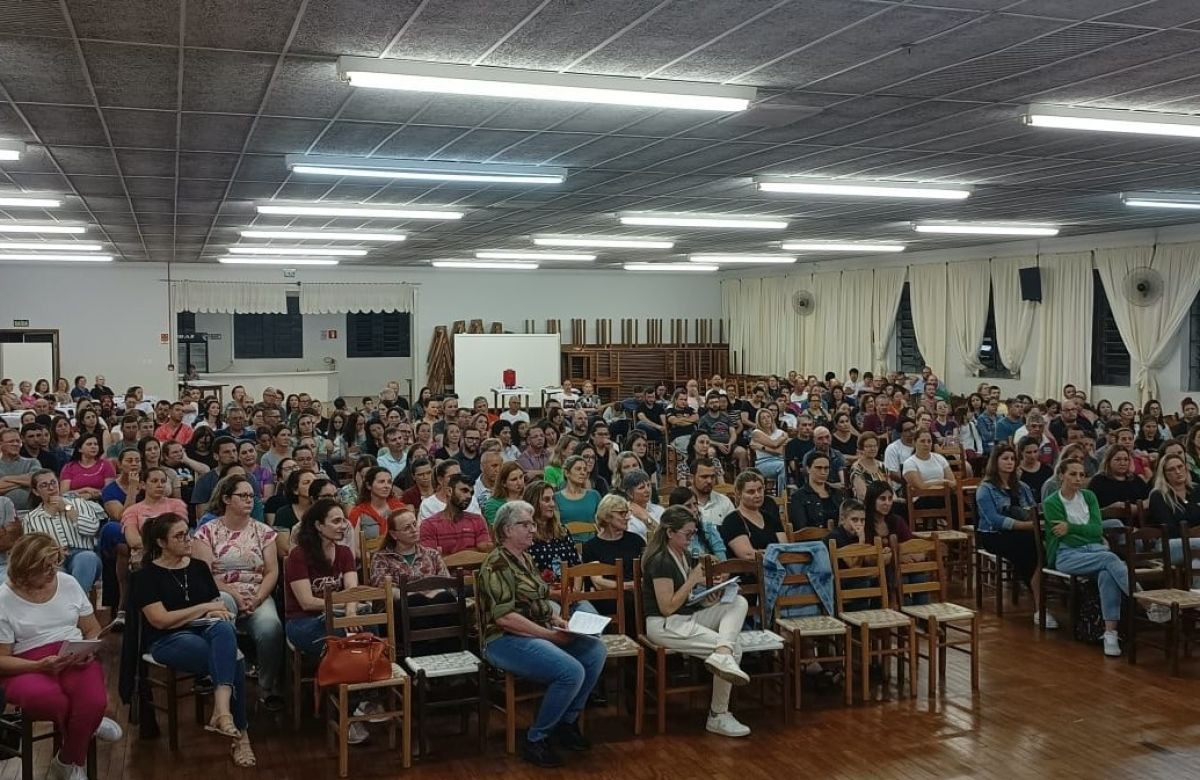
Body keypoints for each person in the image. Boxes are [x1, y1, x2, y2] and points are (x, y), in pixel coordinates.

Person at [476, 501, 606, 767]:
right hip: (503, 639)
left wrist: (558, 621)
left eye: (532, 524)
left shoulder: (526, 558)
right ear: (506, 529)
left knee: (595, 651)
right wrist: (549, 636)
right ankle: (536, 738)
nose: (532, 530)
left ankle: (566, 723)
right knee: (571, 671)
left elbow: (540, 601)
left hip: (536, 629)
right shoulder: (497, 564)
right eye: (525, 524)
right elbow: (505, 617)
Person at [131, 513, 256, 765]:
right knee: (234, 660)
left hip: (204, 629)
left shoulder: (198, 567)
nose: (187, 540)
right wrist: (200, 609)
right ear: (161, 543)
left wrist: (210, 610)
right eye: (179, 536)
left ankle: (221, 711)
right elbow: (160, 620)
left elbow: (216, 605)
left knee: (224, 629)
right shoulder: (145, 576)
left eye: (187, 533)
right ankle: (240, 737)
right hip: (167, 639)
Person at [0, 534, 123, 780]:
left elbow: (90, 627)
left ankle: (67, 761)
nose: (52, 573)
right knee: (52, 700)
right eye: (44, 569)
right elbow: (2, 659)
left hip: (71, 654)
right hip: (26, 663)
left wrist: (89, 647)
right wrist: (38, 665)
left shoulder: (67, 582)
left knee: (94, 702)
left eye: (54, 565)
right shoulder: (3, 598)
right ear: (25, 570)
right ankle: (90, 724)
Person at [642, 506, 752, 738]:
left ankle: (722, 651)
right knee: (735, 650)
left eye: (693, 533)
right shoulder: (660, 560)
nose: (692, 539)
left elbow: (687, 600)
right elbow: (667, 607)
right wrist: (693, 581)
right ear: (670, 533)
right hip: (664, 624)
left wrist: (708, 599)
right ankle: (718, 715)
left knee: (737, 602)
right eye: (687, 534)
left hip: (685, 616)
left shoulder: (683, 555)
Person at [192, 475, 284, 712]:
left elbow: (272, 571)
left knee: (271, 626)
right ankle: (226, 681)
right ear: (225, 499)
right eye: (242, 496)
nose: (248, 500)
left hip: (256, 592)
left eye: (251, 496)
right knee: (223, 608)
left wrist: (258, 597)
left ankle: (267, 685)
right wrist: (233, 592)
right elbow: (205, 574)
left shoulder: (263, 531)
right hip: (221, 590)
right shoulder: (207, 532)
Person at [1042, 459, 1129, 656]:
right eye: (1073, 474)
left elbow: (1097, 530)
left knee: (1107, 574)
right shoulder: (1052, 502)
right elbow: (1063, 536)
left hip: (1095, 549)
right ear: (1062, 475)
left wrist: (1071, 528)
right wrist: (1080, 531)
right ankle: (1145, 601)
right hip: (1067, 554)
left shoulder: (1089, 497)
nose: (1078, 479)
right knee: (1110, 559)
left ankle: (1110, 633)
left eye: (1081, 475)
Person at [975, 443, 1052, 627]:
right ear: (996, 461)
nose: (1010, 462)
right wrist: (1026, 526)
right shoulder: (986, 489)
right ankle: (1040, 605)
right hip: (994, 535)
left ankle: (1041, 598)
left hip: (1024, 531)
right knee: (1030, 548)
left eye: (1012, 459)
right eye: (1005, 459)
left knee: (1040, 545)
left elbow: (1032, 509)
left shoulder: (1022, 486)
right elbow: (994, 519)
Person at [22, 470, 103, 594]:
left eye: (53, 483)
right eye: (44, 485)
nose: (51, 488)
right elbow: (32, 550)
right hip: (51, 560)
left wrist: (67, 508)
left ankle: (77, 603)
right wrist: (53, 552)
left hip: (82, 553)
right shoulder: (31, 518)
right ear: (36, 492)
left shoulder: (79, 503)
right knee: (55, 574)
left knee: (87, 558)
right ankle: (75, 607)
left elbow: (92, 529)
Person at [581, 493, 646, 621]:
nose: (627, 518)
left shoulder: (636, 541)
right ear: (607, 516)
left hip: (636, 591)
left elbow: (646, 570)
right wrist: (629, 586)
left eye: (628, 513)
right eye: (622, 513)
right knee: (629, 601)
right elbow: (598, 583)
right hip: (607, 595)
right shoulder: (591, 546)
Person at [1147, 453, 1200, 573]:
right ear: (1164, 474)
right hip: (1169, 545)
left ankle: (1195, 591)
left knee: (1197, 563)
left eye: (1180, 467)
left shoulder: (1197, 490)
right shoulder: (1158, 496)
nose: (1178, 471)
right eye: (1172, 469)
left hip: (1195, 548)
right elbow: (1170, 530)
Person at [420, 474, 492, 556]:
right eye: (464, 491)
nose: (469, 496)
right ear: (449, 491)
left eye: (471, 493)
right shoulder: (429, 525)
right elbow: (431, 559)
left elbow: (485, 552)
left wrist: (446, 554)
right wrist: (470, 552)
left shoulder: (478, 520)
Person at [721, 470, 786, 560]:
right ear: (739, 494)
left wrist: (764, 552)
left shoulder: (769, 518)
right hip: (748, 571)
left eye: (760, 490)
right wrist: (773, 553)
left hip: (777, 567)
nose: (757, 495)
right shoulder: (732, 520)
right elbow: (747, 555)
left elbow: (785, 548)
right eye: (751, 492)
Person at [349, 466, 404, 548]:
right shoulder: (357, 513)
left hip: (397, 558)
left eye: (389, 482)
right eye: (381, 482)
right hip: (368, 559)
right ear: (368, 485)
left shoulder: (399, 508)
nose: (387, 486)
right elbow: (355, 548)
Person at [790, 452, 844, 530]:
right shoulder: (798, 497)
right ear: (808, 469)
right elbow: (801, 526)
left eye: (826, 468)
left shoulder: (837, 493)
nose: (823, 472)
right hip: (813, 540)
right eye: (818, 468)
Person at [554, 455, 602, 534]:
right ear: (567, 473)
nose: (583, 472)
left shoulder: (594, 495)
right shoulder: (556, 498)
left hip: (592, 543)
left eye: (585, 469)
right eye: (578, 469)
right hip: (567, 543)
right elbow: (557, 528)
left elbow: (602, 523)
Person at [749, 408, 787, 496]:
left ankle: (784, 498)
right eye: (763, 418)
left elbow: (780, 451)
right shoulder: (756, 433)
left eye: (768, 417)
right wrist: (783, 438)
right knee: (784, 467)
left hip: (780, 461)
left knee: (785, 468)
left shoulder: (780, 432)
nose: (767, 420)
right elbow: (774, 444)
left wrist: (762, 447)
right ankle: (782, 499)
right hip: (763, 463)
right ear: (759, 421)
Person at [0, 427, 39, 510]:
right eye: (11, 441)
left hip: (31, 511)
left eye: (18, 441)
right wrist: (25, 483)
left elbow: (36, 481)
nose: (15, 444)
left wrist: (6, 479)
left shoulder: (32, 462)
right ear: (1, 444)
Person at [484, 461, 525, 526]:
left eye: (521, 477)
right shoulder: (492, 504)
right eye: (514, 479)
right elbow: (495, 531)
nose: (519, 483)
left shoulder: (529, 497)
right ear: (503, 483)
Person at [848, 431, 887, 502]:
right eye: (869, 446)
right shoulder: (857, 468)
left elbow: (889, 488)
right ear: (861, 449)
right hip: (867, 505)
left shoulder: (882, 465)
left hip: (885, 502)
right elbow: (862, 495)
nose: (873, 449)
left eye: (875, 446)